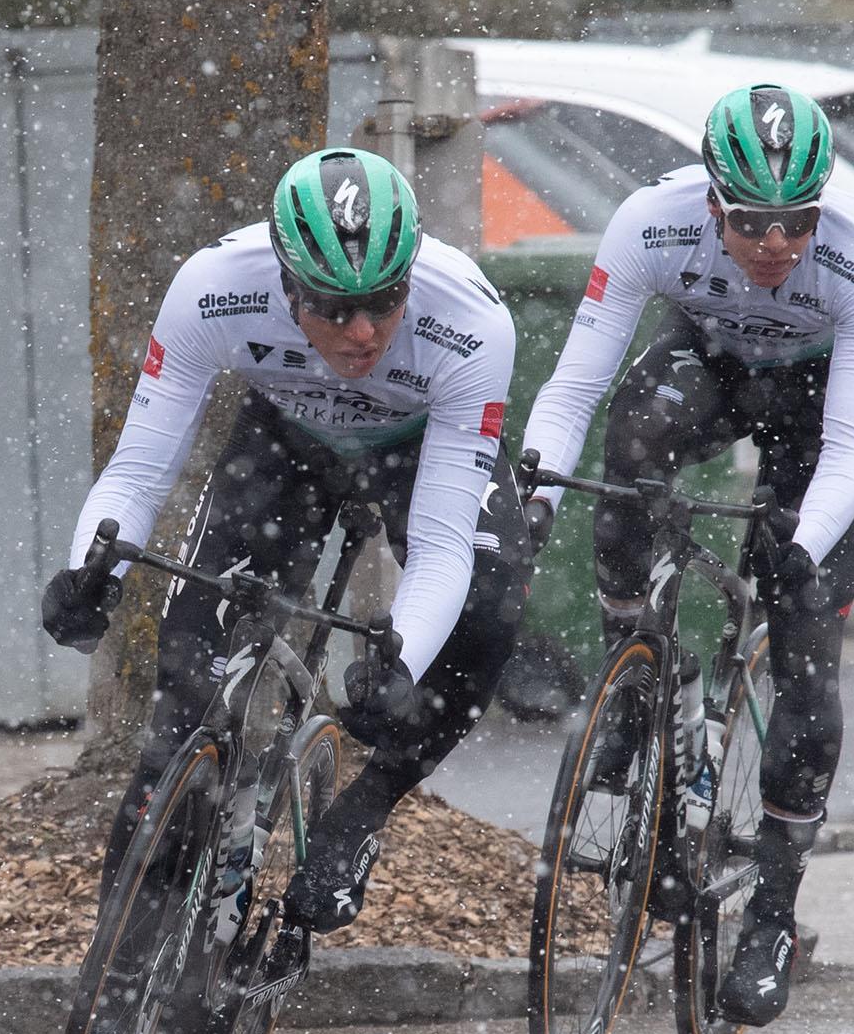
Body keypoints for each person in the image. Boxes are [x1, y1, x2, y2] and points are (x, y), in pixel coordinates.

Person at [40, 146, 529, 951]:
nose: (363, 331)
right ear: (284, 282)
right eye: (333, 308)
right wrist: (97, 569)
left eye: (384, 300)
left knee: (490, 603)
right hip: (287, 444)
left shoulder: (469, 323)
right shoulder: (213, 287)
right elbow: (137, 469)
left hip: (416, 449)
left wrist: (398, 661)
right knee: (178, 715)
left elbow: (441, 543)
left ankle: (365, 808)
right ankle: (106, 998)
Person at [519, 82, 854, 1028]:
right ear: (709, 203)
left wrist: (806, 549)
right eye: (750, 222)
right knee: (632, 446)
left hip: (817, 413)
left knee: (808, 669)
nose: (776, 244)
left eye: (796, 221)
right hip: (713, 370)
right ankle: (640, 665)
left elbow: (853, 445)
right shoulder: (649, 225)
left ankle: (773, 909)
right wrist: (531, 494)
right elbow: (573, 388)